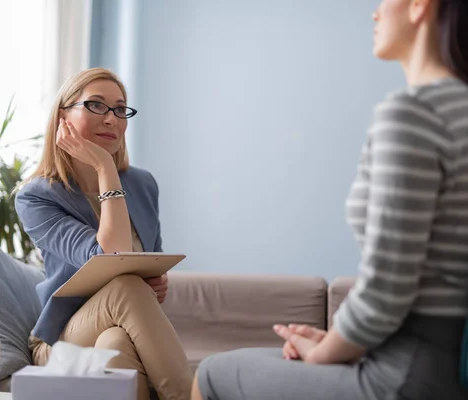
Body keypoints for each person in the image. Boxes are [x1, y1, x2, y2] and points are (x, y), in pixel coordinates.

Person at [192, 0, 468, 399]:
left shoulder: (412, 113)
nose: (374, 13)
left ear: (420, 7)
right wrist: (341, 341)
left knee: (212, 374)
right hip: (437, 359)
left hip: (406, 375)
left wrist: (323, 353)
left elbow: (386, 293)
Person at [14, 67, 192, 400]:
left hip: (118, 323)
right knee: (125, 286)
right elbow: (112, 257)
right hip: (61, 339)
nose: (111, 118)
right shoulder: (37, 196)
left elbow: (148, 262)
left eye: (120, 109)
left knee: (116, 344)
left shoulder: (143, 184)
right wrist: (105, 168)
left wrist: (156, 282)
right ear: (62, 116)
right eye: (96, 105)